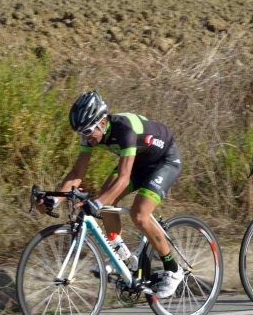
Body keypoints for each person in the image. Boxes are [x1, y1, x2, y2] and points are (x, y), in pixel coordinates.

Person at [36, 91, 184, 298]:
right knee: (105, 202)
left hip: (163, 162)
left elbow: (123, 178)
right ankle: (120, 257)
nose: (85, 137)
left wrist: (96, 202)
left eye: (88, 131)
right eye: (80, 133)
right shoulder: (90, 135)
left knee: (139, 214)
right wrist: (55, 199)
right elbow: (77, 173)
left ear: (102, 122)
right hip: (138, 163)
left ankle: (173, 269)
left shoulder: (124, 129)